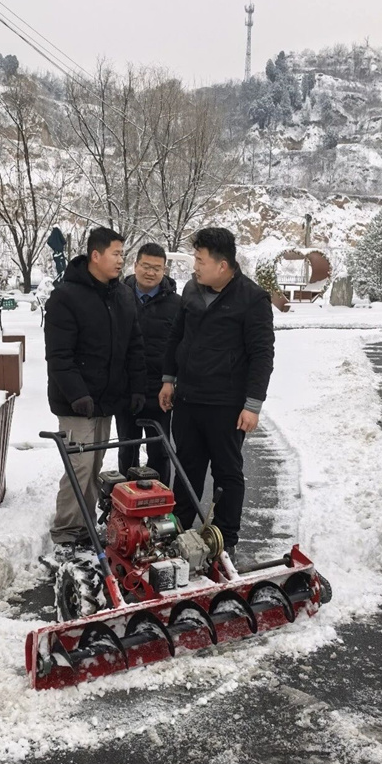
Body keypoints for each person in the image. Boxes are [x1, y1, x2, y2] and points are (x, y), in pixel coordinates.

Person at [159, 227, 274, 561]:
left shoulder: (252, 299)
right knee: (187, 468)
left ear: (222, 266)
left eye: (200, 260)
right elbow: (175, 337)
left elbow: (261, 355)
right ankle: (178, 532)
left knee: (227, 471)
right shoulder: (192, 290)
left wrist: (252, 405)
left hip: (226, 405)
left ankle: (225, 540)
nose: (195, 266)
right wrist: (169, 379)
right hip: (189, 400)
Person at [45, 227, 146, 542]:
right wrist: (78, 395)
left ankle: (85, 524)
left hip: (107, 399)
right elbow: (59, 356)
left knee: (95, 462)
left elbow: (134, 345)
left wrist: (137, 388)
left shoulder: (122, 295)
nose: (121, 261)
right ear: (96, 255)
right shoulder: (65, 297)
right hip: (77, 403)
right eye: (116, 254)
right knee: (80, 467)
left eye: (122, 254)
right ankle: (66, 529)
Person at [116, 242, 181, 484]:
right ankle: (123, 509)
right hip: (126, 390)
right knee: (126, 450)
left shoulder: (177, 305)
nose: (151, 272)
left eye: (157, 267)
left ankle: (158, 506)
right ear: (135, 265)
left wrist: (173, 382)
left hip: (160, 393)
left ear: (164, 270)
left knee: (160, 452)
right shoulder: (118, 296)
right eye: (146, 266)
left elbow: (181, 348)